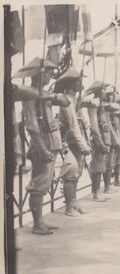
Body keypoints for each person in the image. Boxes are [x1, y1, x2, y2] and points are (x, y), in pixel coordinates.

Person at [14, 57, 70, 234]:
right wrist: (43, 149)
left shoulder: (44, 94)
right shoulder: (29, 95)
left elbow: (65, 101)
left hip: (51, 143)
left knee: (44, 184)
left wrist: (47, 94)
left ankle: (41, 220)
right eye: (48, 73)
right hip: (42, 145)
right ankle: (37, 224)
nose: (51, 76)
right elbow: (32, 127)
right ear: (40, 74)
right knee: (38, 185)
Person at [57, 69, 92, 217]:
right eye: (78, 81)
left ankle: (73, 202)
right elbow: (72, 127)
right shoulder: (67, 101)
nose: (81, 83)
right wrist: (83, 146)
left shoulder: (74, 100)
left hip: (77, 141)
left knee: (76, 173)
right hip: (71, 142)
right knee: (70, 173)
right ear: (71, 83)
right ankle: (69, 207)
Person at [85, 81, 113, 202]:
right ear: (97, 92)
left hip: (104, 139)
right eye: (103, 90)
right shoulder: (93, 105)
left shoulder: (101, 106)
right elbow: (95, 127)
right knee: (97, 166)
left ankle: (98, 192)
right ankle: (95, 193)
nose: (105, 92)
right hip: (99, 140)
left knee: (102, 166)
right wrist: (100, 143)